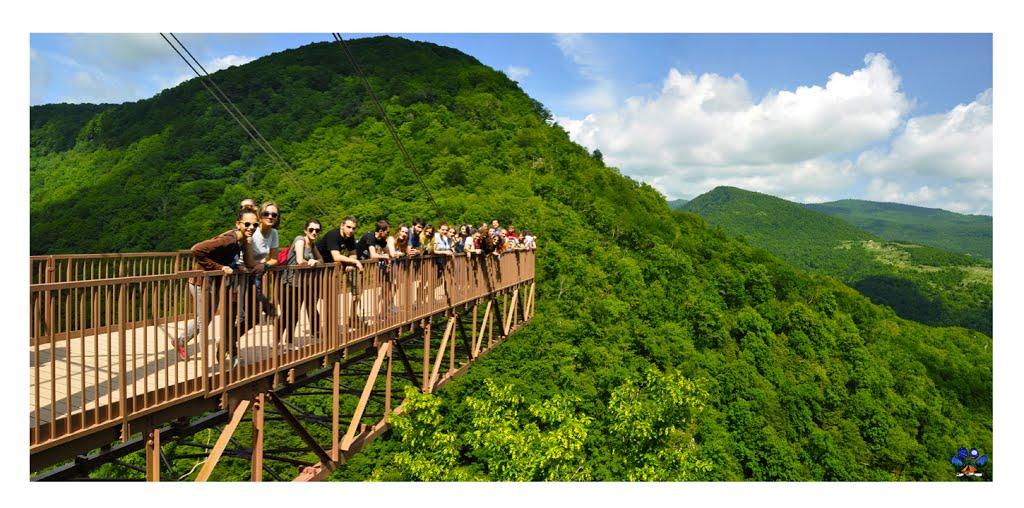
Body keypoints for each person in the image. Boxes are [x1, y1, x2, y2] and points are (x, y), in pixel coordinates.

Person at [175, 209, 258, 362]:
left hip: (211, 283)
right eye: (247, 224)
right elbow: (197, 249)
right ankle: (183, 342)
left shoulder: (240, 241)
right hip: (200, 282)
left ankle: (181, 340)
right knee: (204, 319)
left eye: (255, 225)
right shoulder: (229, 239)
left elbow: (232, 259)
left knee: (206, 318)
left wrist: (235, 266)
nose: (251, 227)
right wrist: (220, 268)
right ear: (238, 224)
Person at [280, 219, 324, 350]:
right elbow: (299, 260)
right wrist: (309, 261)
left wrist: (315, 262)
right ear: (305, 230)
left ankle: (286, 342)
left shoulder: (312, 244)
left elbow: (321, 260)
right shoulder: (300, 240)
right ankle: (282, 341)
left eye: (317, 230)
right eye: (311, 229)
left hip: (301, 283)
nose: (314, 232)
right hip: (290, 281)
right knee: (289, 313)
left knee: (293, 313)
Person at [316, 216, 362, 327]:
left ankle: (330, 326)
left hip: (329, 270)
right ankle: (321, 326)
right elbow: (336, 256)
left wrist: (350, 262)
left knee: (330, 297)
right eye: (348, 227)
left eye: (353, 228)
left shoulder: (350, 237)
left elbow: (354, 254)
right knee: (314, 298)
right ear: (342, 225)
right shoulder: (333, 235)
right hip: (317, 267)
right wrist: (354, 262)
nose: (351, 230)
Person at [251, 201, 281, 320]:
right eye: (266, 213)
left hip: (255, 273)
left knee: (251, 311)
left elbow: (274, 259)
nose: (270, 217)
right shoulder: (252, 230)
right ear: (259, 215)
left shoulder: (273, 233)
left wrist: (264, 266)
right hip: (241, 272)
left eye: (274, 215)